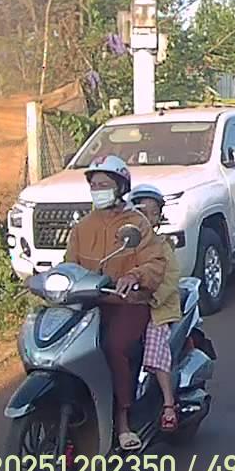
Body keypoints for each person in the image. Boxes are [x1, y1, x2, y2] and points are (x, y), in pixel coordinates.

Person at [64, 155, 167, 450]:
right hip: (89, 304)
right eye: (94, 185)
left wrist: (134, 276)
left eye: (104, 184)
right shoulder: (82, 227)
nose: (98, 190)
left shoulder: (137, 224)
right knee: (68, 351)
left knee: (114, 347)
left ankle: (123, 420)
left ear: (121, 187)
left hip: (128, 303)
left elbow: (155, 263)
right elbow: (69, 265)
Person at [128, 184, 180, 433]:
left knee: (154, 342)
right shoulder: (125, 244)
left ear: (159, 217)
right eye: (141, 212)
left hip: (157, 309)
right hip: (127, 304)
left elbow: (170, 279)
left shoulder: (162, 246)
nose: (147, 218)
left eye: (153, 212)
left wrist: (151, 298)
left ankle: (169, 404)